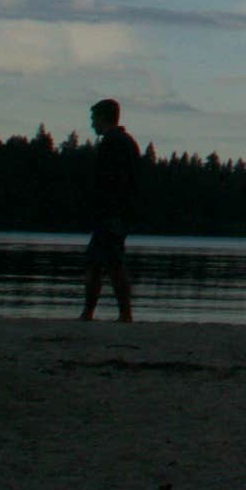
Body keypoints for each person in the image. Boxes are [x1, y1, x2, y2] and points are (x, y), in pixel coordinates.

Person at [79, 97, 140, 322]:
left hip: (112, 214)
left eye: (94, 118)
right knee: (108, 262)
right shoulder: (125, 141)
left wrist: (109, 212)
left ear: (104, 118)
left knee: (104, 263)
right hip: (118, 214)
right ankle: (119, 313)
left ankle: (100, 313)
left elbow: (112, 182)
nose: (92, 123)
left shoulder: (113, 142)